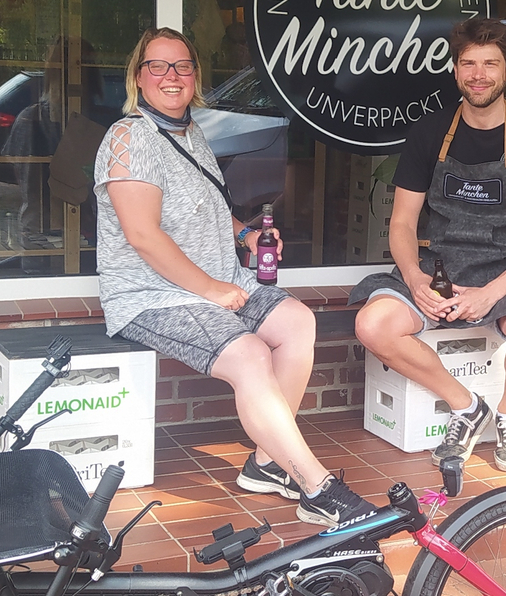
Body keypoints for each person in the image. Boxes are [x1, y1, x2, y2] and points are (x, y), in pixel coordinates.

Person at [94, 27, 374, 526]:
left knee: (297, 324)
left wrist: (244, 234)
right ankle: (314, 484)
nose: (171, 76)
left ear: (195, 75)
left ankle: (268, 463)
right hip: (151, 295)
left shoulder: (191, 131)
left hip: (219, 279)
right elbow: (143, 235)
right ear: (139, 77)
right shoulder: (128, 139)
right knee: (250, 354)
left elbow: (204, 206)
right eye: (157, 66)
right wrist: (210, 289)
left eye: (181, 65)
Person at [350, 18, 506, 473]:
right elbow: (403, 223)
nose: (479, 74)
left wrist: (491, 293)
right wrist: (415, 277)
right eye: (468, 63)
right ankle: (467, 408)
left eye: (490, 63)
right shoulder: (430, 132)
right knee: (373, 325)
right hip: (439, 267)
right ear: (455, 70)